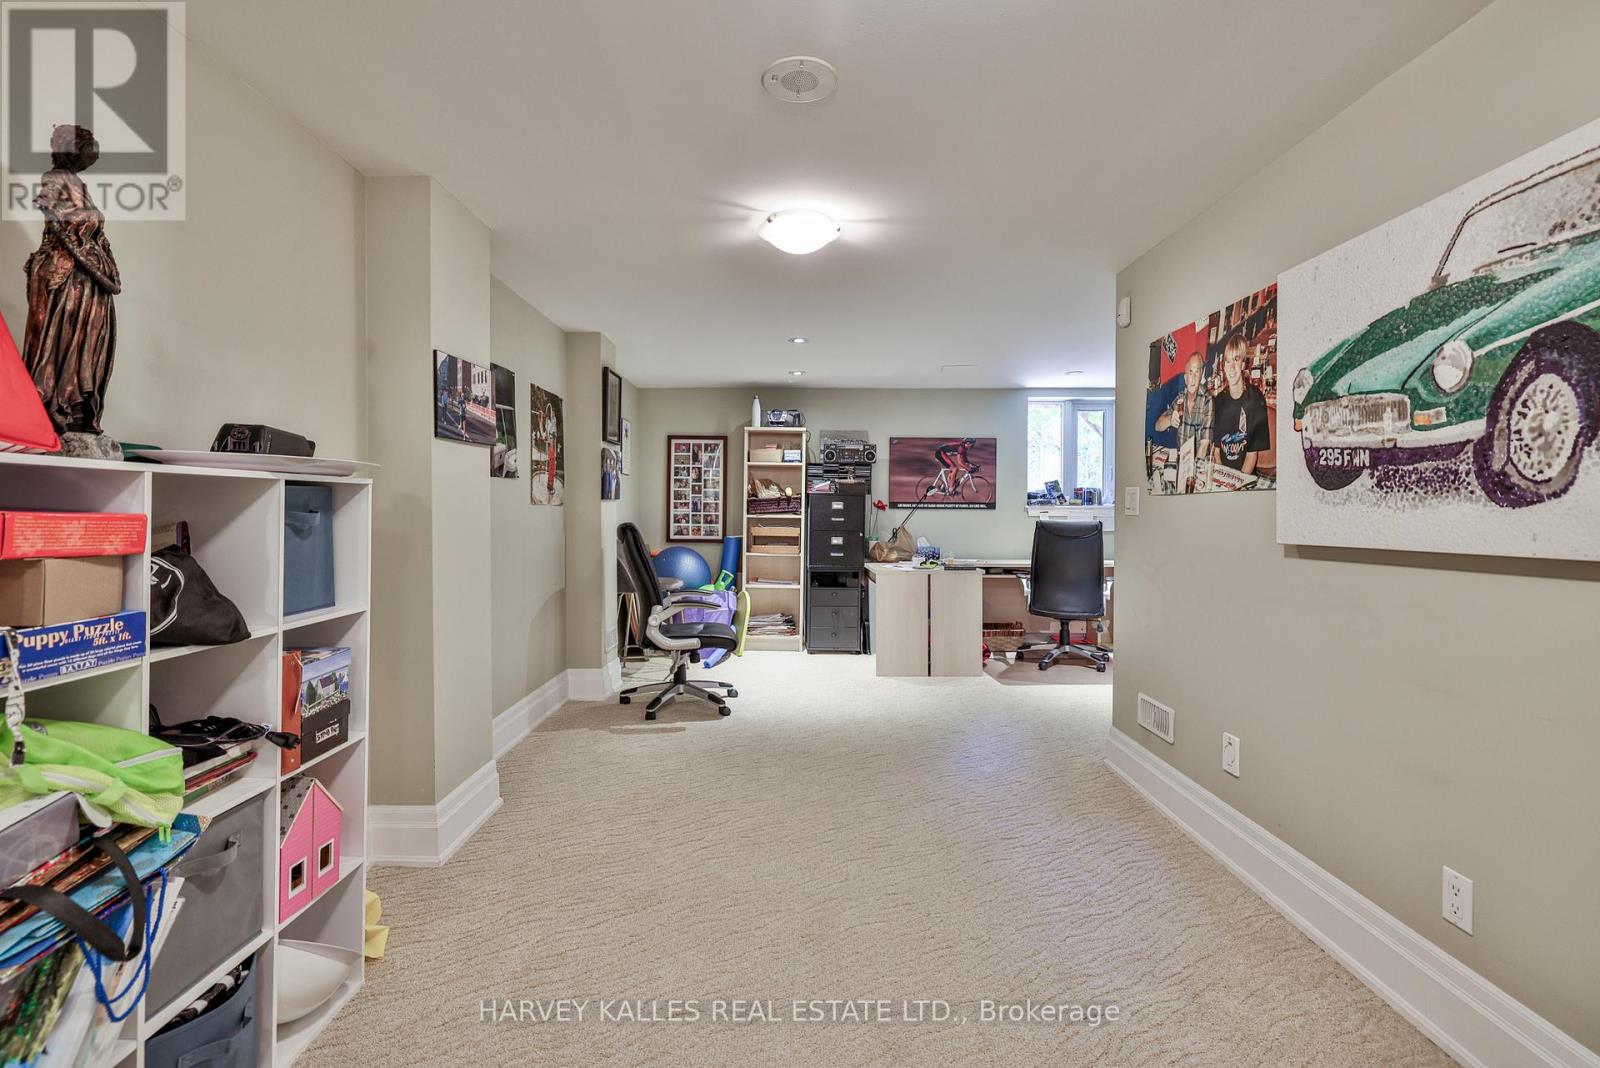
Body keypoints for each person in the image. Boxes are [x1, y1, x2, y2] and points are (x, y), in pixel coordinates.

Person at [23, 125, 121, 436]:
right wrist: (92, 265)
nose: (93, 156)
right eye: (89, 150)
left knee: (86, 344)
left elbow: (94, 231)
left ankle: (78, 410)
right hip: (66, 275)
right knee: (61, 340)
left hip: (89, 279)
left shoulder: (78, 183)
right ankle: (54, 409)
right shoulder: (55, 179)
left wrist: (106, 270)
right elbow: (59, 224)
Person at [1210, 333, 1271, 474]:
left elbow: (1251, 456)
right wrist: (1223, 477)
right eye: (1227, 361)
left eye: (1236, 360)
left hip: (1245, 477)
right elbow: (1216, 452)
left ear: (1243, 364)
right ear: (1223, 366)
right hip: (1222, 474)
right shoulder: (1218, 401)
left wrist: (1238, 483)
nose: (1231, 367)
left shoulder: (1256, 399)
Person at [1154, 351, 1214, 471]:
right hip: (1181, 461)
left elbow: (1204, 446)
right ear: (1185, 378)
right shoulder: (1180, 400)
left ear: (1201, 376)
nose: (1193, 378)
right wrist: (1170, 420)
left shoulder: (1208, 400)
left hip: (1199, 465)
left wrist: (1191, 474)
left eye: (1197, 372)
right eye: (1190, 373)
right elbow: (1157, 426)